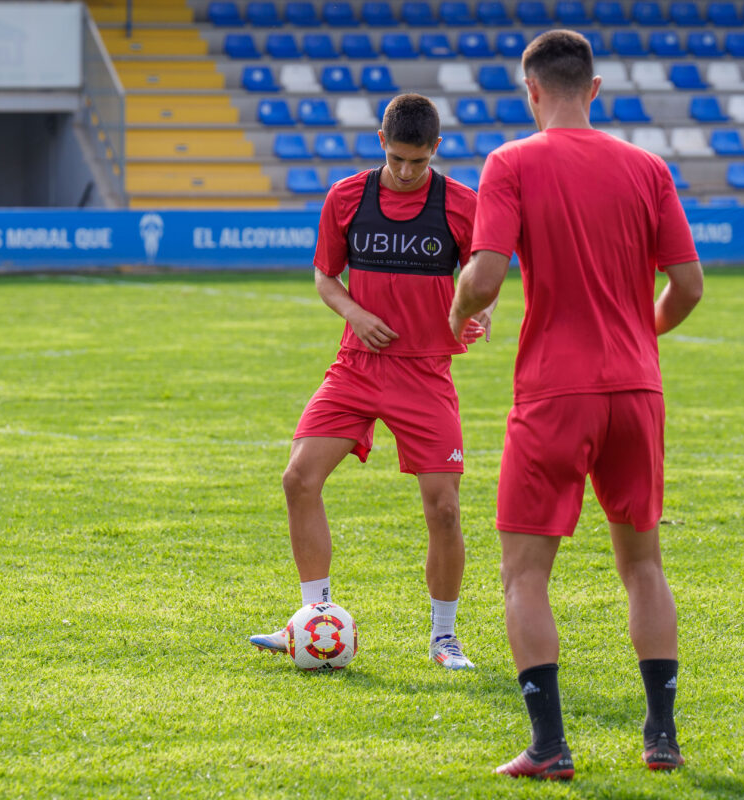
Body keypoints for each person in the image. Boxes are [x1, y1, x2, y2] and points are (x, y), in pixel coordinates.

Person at [449, 30, 704, 778]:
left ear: (531, 90)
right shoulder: (647, 167)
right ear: (594, 90)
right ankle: (661, 737)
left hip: (555, 391)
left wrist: (455, 313)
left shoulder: (511, 162)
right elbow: (688, 287)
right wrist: (638, 334)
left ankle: (550, 746)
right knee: (643, 565)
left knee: (525, 575)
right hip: (636, 389)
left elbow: (487, 277)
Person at [250, 94, 491, 670]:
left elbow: (483, 276)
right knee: (298, 478)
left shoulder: (462, 204)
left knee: (445, 509)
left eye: (418, 161)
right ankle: (316, 619)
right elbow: (325, 276)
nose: (406, 172)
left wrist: (477, 312)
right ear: (381, 143)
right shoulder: (347, 197)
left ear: (436, 149)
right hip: (356, 365)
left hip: (425, 373)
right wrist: (354, 313)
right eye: (397, 158)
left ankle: (444, 637)